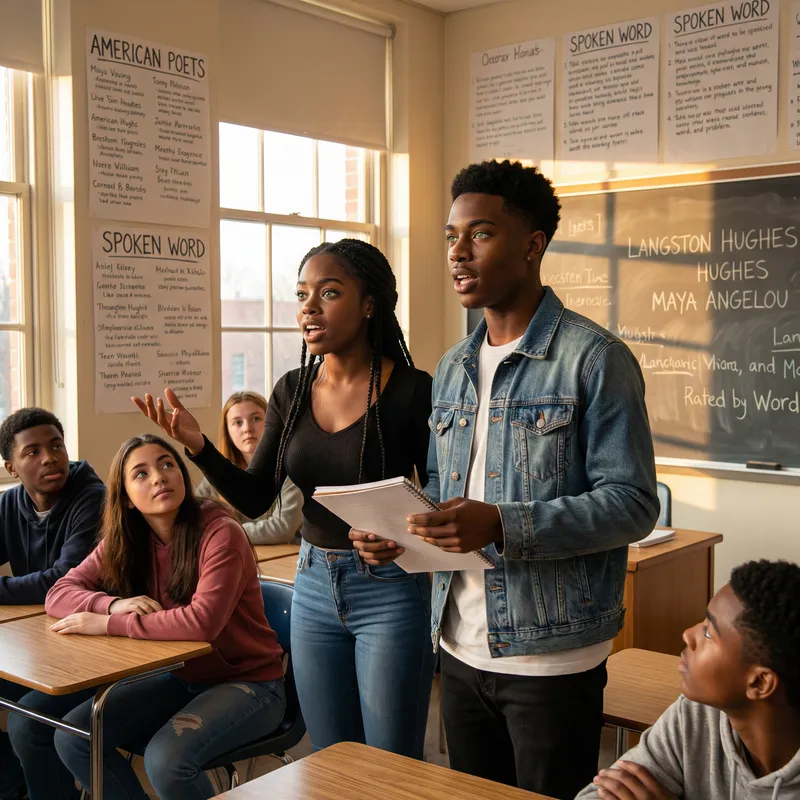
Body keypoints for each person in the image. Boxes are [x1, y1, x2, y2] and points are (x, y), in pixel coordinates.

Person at [371, 160, 658, 799]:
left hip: (551, 655)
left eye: (480, 234)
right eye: (451, 237)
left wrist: (503, 522)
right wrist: (402, 535)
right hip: (459, 642)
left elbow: (633, 503)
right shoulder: (452, 366)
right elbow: (448, 496)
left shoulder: (595, 359)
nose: (458, 253)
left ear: (533, 245)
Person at [132, 239, 436, 759]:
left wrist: (402, 531)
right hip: (313, 586)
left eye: (329, 292)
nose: (308, 308)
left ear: (369, 304)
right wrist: (199, 446)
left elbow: (441, 489)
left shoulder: (413, 389)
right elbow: (255, 498)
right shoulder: (291, 390)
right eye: (302, 294)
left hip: (389, 589)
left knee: (391, 765)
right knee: (331, 760)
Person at [40, 433, 285, 800]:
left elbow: (201, 622)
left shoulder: (220, 531)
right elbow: (58, 593)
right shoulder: (127, 538)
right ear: (125, 498)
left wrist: (108, 624)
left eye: (167, 464)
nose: (158, 477)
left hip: (250, 683)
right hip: (180, 676)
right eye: (140, 473)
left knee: (165, 761)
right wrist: (111, 604)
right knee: (75, 736)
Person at [578, 559, 800, 800]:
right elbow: (598, 794)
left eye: (708, 632)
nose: (687, 634)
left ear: (759, 683)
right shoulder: (696, 715)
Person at [0, 407, 105, 800]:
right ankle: (16, 789)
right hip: (41, 643)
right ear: (12, 467)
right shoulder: (11, 504)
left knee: (26, 726)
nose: (49, 457)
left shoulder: (92, 499)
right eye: (33, 452)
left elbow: (60, 581)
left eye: (56, 445)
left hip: (96, 649)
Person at [196, 391, 303, 544]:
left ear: (271, 423)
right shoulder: (219, 472)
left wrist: (223, 531)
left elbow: (281, 529)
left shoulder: (289, 467)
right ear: (227, 431)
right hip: (239, 552)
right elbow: (193, 516)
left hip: (287, 558)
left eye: (256, 419)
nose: (247, 428)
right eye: (237, 422)